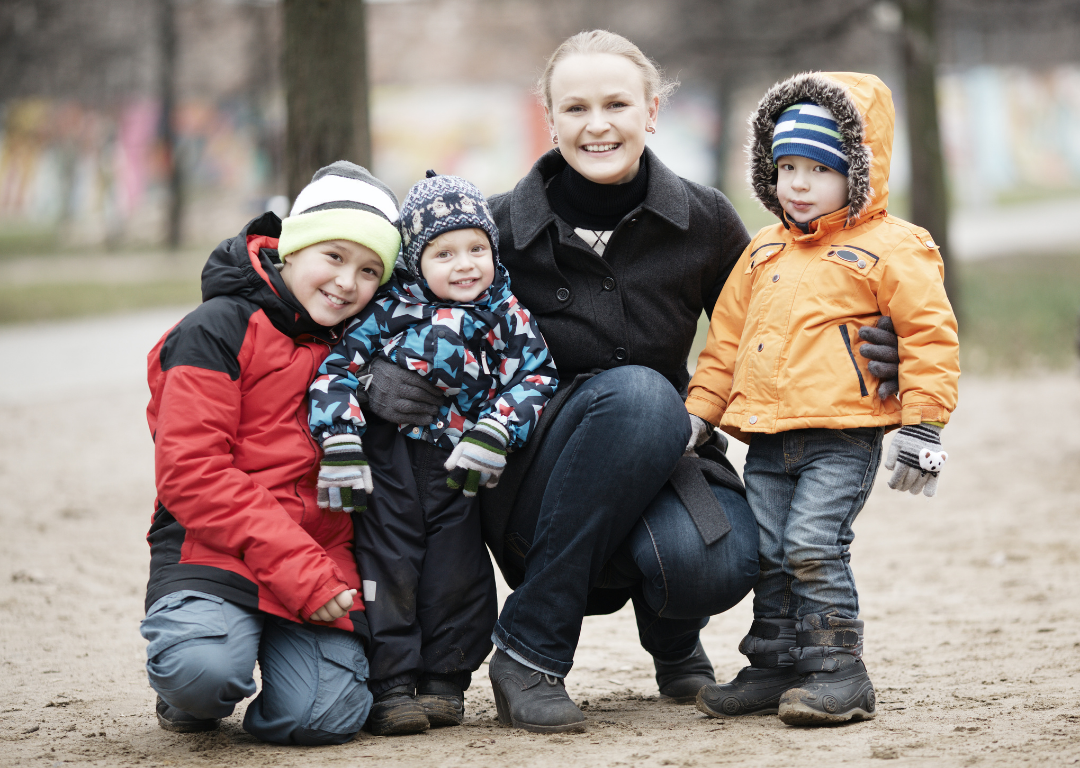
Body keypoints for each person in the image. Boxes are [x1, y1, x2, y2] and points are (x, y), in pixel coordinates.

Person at [360, 31, 902, 734]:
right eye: (576, 107)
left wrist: (864, 340)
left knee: (721, 558)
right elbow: (376, 306)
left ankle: (673, 637)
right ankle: (529, 651)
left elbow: (774, 317)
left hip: (668, 456)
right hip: (527, 476)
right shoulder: (490, 229)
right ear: (550, 119)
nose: (598, 124)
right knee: (640, 393)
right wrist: (371, 375)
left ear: (651, 110)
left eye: (616, 104)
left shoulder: (704, 218)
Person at [688, 73, 960, 725]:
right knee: (769, 552)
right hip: (768, 440)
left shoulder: (894, 246)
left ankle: (840, 671)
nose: (800, 184)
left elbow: (928, 334)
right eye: (787, 167)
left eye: (820, 169)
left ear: (858, 172)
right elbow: (725, 342)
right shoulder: (763, 250)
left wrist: (923, 426)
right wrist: (699, 413)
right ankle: (776, 663)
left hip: (841, 437)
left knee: (812, 544)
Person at [141, 161, 402, 744]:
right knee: (202, 673)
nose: (347, 282)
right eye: (333, 256)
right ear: (292, 247)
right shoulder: (214, 329)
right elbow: (191, 473)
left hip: (323, 557)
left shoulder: (366, 344)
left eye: (369, 270)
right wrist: (301, 572)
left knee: (323, 718)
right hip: (215, 551)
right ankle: (193, 677)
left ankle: (273, 660)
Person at [308, 173, 558, 736]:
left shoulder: (507, 315)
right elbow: (336, 370)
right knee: (387, 566)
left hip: (458, 469)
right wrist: (341, 439)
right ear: (415, 261)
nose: (464, 265)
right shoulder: (388, 311)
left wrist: (496, 429)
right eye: (444, 254)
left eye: (476, 249)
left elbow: (536, 376)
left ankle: (445, 679)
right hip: (389, 464)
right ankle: (392, 684)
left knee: (457, 571)